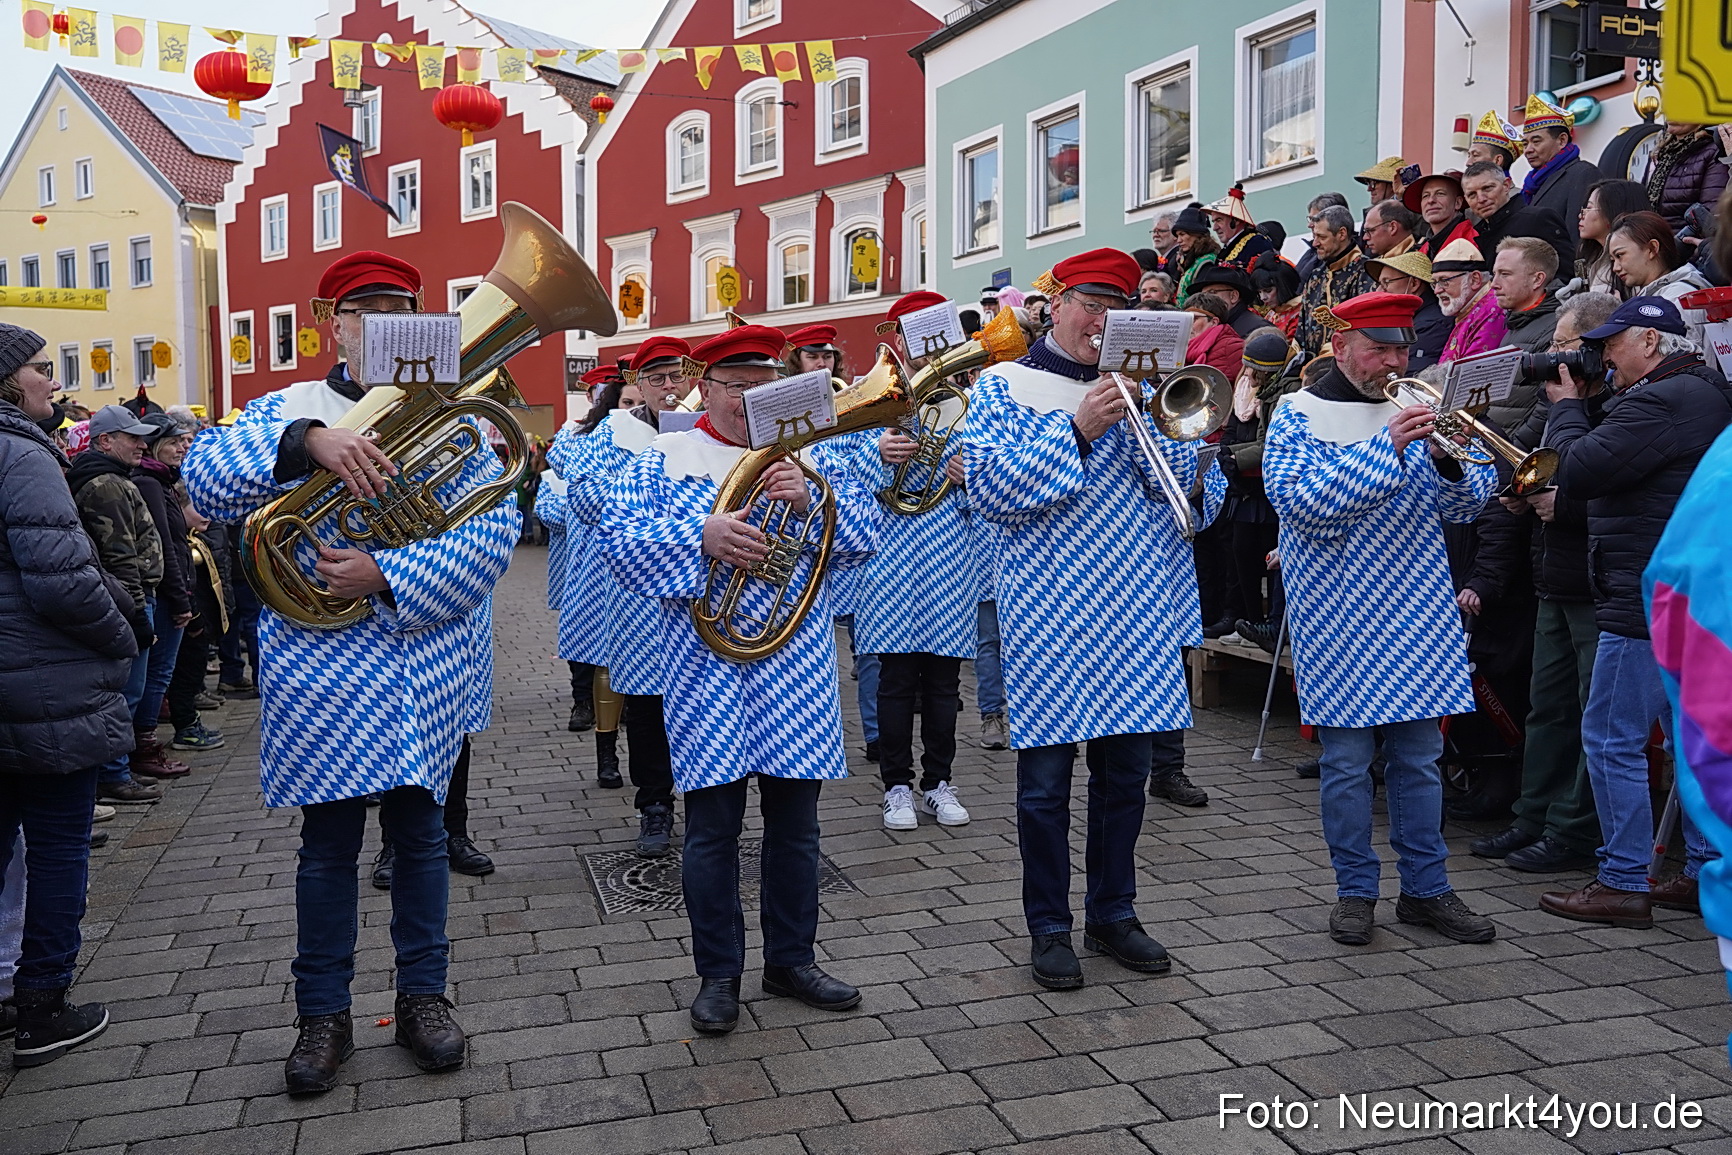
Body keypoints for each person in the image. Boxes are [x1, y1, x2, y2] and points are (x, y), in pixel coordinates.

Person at [183, 250, 519, 1094]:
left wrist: (389, 576)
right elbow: (204, 480)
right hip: (323, 673)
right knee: (327, 850)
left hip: (425, 664)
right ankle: (322, 1015)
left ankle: (423, 999)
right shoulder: (288, 406)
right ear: (335, 326)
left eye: (398, 307)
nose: (379, 323)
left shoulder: (461, 417)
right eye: (361, 311)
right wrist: (307, 444)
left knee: (422, 842)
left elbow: (489, 533)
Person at [962, 247, 1226, 988]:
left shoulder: (1143, 389)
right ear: (1057, 305)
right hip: (1048, 612)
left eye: (1117, 310)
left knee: (1124, 776)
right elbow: (989, 491)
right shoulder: (1004, 385)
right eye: (1090, 305)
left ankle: (1115, 911)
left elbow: (1188, 513)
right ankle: (1049, 925)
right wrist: (1077, 428)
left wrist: (1165, 434)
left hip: (1136, 607)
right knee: (1045, 784)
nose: (1100, 321)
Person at [602, 324, 877, 1035]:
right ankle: (717, 974)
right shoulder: (665, 453)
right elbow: (620, 544)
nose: (751, 400)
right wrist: (703, 534)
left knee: (797, 827)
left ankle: (792, 958)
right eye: (738, 388)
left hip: (796, 666)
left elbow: (867, 535)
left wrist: (810, 503)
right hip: (706, 668)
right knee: (713, 830)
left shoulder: (809, 453)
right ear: (707, 387)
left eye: (764, 388)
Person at [1262, 292, 1499, 948]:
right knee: (1346, 761)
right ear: (1342, 348)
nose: (1394, 361)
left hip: (1418, 608)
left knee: (1420, 758)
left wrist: (1450, 457)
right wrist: (1387, 449)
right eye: (1380, 348)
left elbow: (1471, 503)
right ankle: (1355, 890)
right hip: (1338, 617)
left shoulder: (1416, 405)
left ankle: (1426, 889)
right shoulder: (1298, 412)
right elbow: (1303, 504)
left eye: (1402, 349)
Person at [1537, 296, 1732, 927]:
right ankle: (1702, 870)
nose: (1602, 357)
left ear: (1651, 343)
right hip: (1688, 590)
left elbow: (1579, 465)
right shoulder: (1700, 390)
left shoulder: (1662, 401)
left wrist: (1566, 408)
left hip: (1643, 599)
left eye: (1612, 344)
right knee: (1685, 739)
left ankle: (1623, 879)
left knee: (1611, 739)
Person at [0, 325, 137, 1067]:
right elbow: (61, 577)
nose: (53, 380)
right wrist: (123, 630)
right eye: (40, 368)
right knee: (56, 850)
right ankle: (42, 1005)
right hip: (43, 683)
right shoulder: (21, 451)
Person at [1471, 291, 1619, 873]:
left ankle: (1572, 829)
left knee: (1589, 711)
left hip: (1594, 582)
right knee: (1547, 707)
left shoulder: (1617, 406)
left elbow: (1612, 490)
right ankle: (1533, 817)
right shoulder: (1559, 404)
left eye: (1560, 344)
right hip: (1553, 575)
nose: (1549, 355)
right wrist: (1518, 493)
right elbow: (1532, 464)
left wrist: (1567, 502)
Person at [844, 300, 979, 832]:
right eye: (912, 335)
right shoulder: (869, 399)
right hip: (889, 558)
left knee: (944, 683)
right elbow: (837, 475)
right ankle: (896, 786)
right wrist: (876, 453)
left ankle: (938, 783)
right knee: (895, 680)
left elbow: (992, 493)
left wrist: (969, 476)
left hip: (948, 555)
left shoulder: (970, 403)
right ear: (896, 339)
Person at [569, 336, 688, 857]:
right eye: (657, 378)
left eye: (678, 375)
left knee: (697, 699)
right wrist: (649, 485)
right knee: (646, 701)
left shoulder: (714, 427)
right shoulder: (609, 434)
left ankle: (708, 798)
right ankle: (654, 804)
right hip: (636, 590)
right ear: (637, 384)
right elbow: (585, 497)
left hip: (699, 592)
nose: (670, 387)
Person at [68, 405, 173, 804]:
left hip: (135, 597)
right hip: (131, 600)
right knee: (125, 693)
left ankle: (116, 772)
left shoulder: (113, 477)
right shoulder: (107, 484)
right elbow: (119, 555)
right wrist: (136, 610)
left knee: (129, 691)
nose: (142, 445)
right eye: (132, 438)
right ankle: (112, 776)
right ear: (105, 441)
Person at [131, 414, 223, 754]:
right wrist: (182, 598)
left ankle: (148, 741)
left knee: (165, 671)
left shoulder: (162, 480)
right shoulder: (150, 483)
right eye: (172, 443)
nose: (180, 449)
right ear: (156, 446)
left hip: (175, 587)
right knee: (158, 674)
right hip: (169, 593)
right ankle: (146, 745)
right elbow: (164, 543)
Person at [554, 366, 625, 781]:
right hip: (594, 559)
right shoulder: (581, 434)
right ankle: (602, 744)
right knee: (598, 656)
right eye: (625, 402)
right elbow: (566, 475)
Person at [1221, 327, 1297, 649]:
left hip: (1271, 488)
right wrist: (1226, 452)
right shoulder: (1260, 389)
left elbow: (1271, 443)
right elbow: (1233, 428)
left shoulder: (1286, 392)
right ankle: (1252, 623)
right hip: (1248, 486)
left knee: (1271, 557)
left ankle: (1274, 626)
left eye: (1254, 371)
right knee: (1243, 553)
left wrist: (1234, 457)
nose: (1248, 376)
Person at [1606, 211, 1715, 348]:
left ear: (1652, 248)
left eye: (1620, 255)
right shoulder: (1665, 297)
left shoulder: (1678, 299)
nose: (1615, 267)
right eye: (1612, 260)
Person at [1489, 236, 1564, 430]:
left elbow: (1547, 403)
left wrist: (1513, 448)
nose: (1494, 284)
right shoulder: (1517, 323)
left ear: (1537, 279)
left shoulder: (1557, 327)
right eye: (1494, 274)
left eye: (1505, 274)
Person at [1295, 206, 1377, 358]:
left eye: (1322, 237)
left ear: (1342, 234)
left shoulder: (1367, 272)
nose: (1315, 243)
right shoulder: (1316, 277)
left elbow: (1363, 331)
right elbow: (1301, 334)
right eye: (1314, 236)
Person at [1463, 161, 1575, 273]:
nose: (1481, 199)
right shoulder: (1476, 234)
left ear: (1506, 185)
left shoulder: (1538, 218)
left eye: (1487, 188)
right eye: (1472, 194)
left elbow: (1566, 273)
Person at [1518, 94, 1603, 237]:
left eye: (1536, 141)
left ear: (1562, 140)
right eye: (1525, 144)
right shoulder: (1531, 185)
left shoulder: (1582, 174)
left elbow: (1579, 235)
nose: (1528, 150)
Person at [1367, 250, 1451, 373]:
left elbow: (1413, 377)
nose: (1380, 290)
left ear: (1414, 283)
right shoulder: (1416, 317)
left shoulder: (1431, 324)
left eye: (1387, 282)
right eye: (1379, 284)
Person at [1571, 180, 1652, 296]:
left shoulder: (1635, 267)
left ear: (1612, 212)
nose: (1581, 215)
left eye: (1589, 208)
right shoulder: (1591, 258)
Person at [1646, 122, 1730, 233]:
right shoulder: (1663, 152)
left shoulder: (1714, 150)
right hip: (1657, 244)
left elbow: (1709, 220)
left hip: (1685, 247)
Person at [1434, 238, 1509, 363]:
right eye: (1435, 283)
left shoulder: (1494, 309)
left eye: (1444, 281)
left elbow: (1472, 372)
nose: (1437, 290)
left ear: (1474, 279)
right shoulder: (1469, 309)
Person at [1203, 183, 1278, 273]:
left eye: (1219, 220)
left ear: (1236, 221)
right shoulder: (1226, 249)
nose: (1215, 228)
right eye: (1213, 222)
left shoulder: (1257, 243)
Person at [1405, 173, 1478, 258]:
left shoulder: (1473, 242)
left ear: (1458, 203)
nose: (1431, 200)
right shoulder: (1423, 250)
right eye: (1426, 196)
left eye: (1440, 193)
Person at [1189, 264, 1267, 339]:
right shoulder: (1210, 325)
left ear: (1233, 296)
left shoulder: (1257, 330)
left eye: (1211, 293)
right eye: (1203, 295)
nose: (1204, 300)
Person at [1184, 293, 1247, 381]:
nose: (1187, 324)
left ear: (1214, 322)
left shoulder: (1232, 347)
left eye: (1193, 319)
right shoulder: (1182, 350)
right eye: (1185, 319)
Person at [1168, 203, 1221, 302]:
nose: (1179, 240)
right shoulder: (1193, 261)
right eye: (1177, 235)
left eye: (1182, 234)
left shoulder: (1207, 263)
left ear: (1196, 234)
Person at [1296, 192, 1351, 281]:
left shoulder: (1357, 264)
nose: (1309, 225)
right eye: (1310, 219)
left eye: (1315, 219)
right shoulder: (1311, 252)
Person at [1253, 262, 1304, 338]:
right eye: (1259, 292)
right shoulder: (1272, 313)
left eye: (1268, 291)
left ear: (1283, 287)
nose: (1262, 297)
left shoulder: (1300, 314)